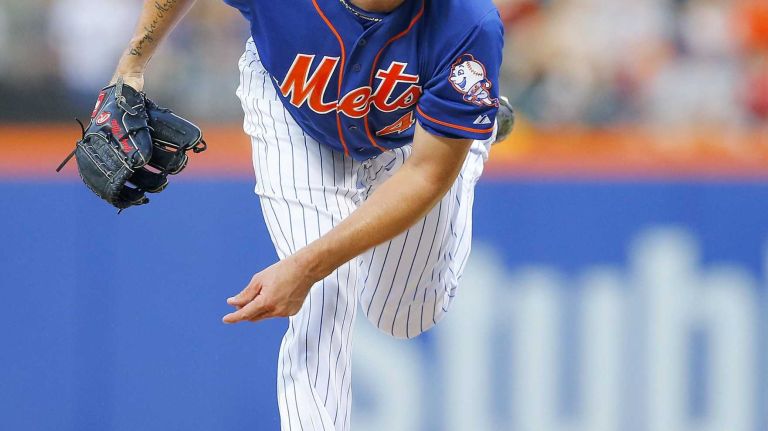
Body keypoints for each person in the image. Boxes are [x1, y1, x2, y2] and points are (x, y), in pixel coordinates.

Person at [110, 0, 509, 429]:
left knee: (404, 317)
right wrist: (130, 66)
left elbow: (427, 175)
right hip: (296, 116)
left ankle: (468, 136)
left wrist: (304, 265)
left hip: (414, 141)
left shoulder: (469, 22)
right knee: (324, 295)